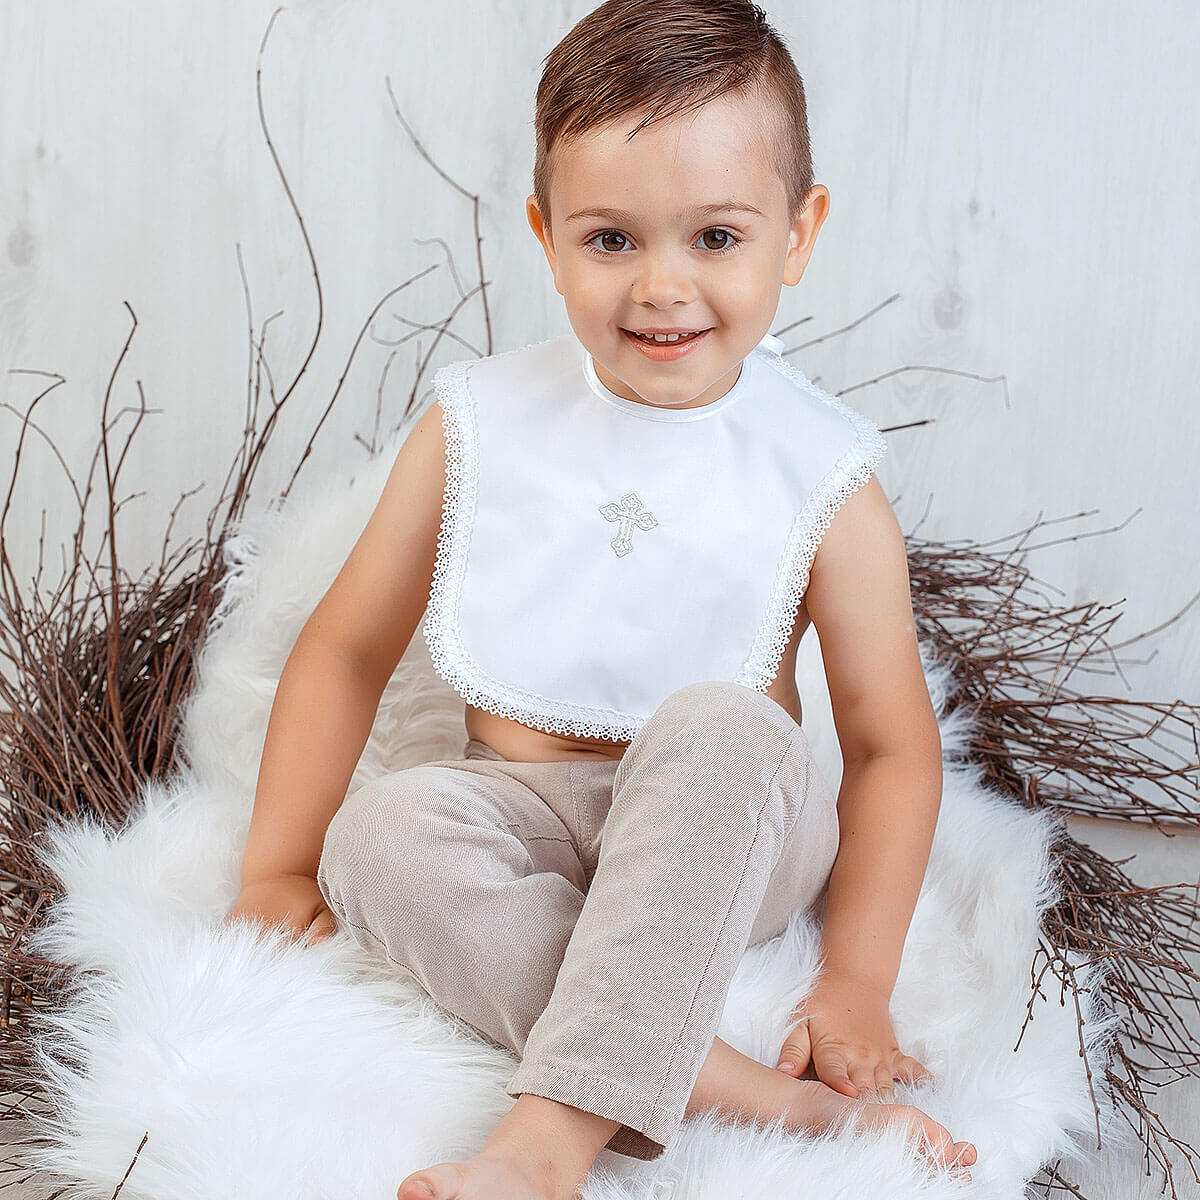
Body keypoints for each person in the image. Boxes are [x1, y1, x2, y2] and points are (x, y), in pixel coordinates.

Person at [224, 2, 980, 1196]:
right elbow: (344, 652)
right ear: (545, 233)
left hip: (729, 832)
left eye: (718, 237)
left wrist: (857, 981)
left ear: (799, 232)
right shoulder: (477, 424)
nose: (663, 288)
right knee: (375, 840)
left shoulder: (820, 475)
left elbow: (891, 748)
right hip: (519, 813)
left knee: (722, 721)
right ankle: (757, 1099)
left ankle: (543, 1148)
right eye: (612, 239)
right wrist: (275, 867)